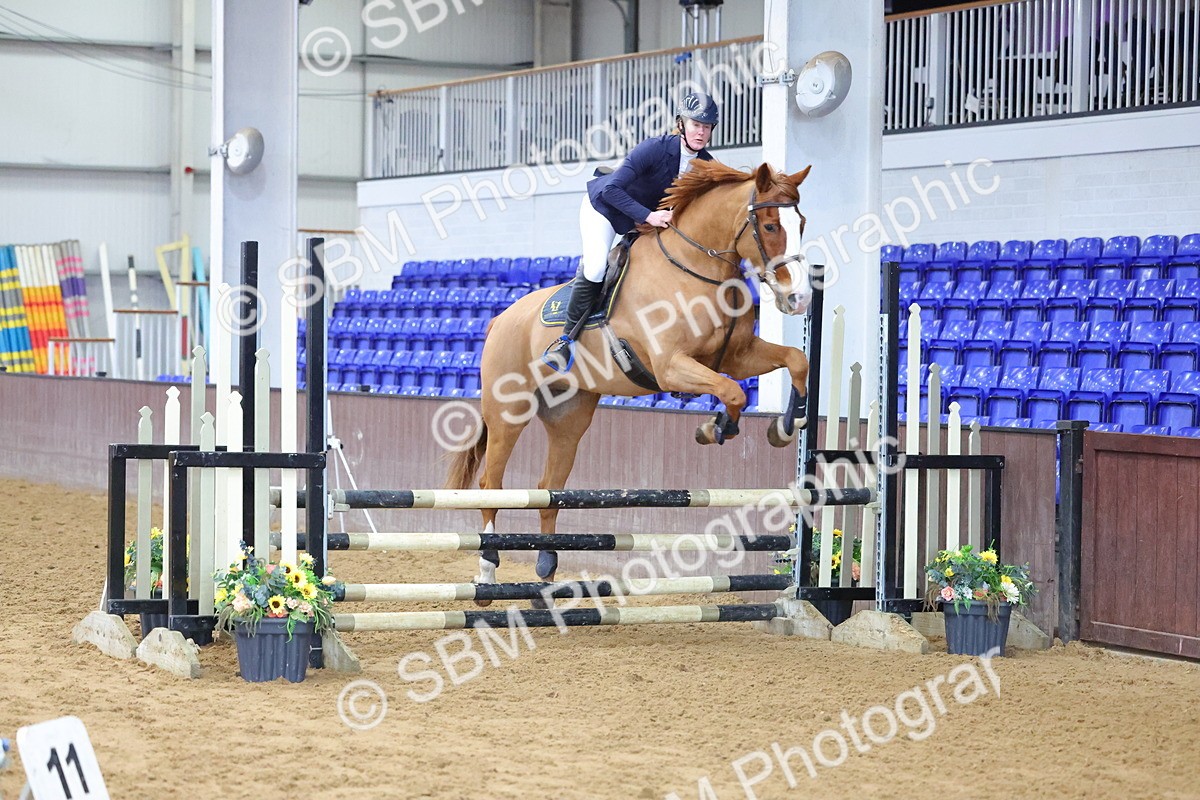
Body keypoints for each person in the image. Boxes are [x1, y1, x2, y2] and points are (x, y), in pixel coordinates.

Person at [543, 91, 720, 371]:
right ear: (681, 124)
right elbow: (613, 189)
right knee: (596, 268)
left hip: (643, 223)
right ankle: (565, 341)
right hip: (604, 209)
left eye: (706, 126)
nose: (701, 132)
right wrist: (649, 215)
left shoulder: (707, 165)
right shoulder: (654, 148)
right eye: (696, 124)